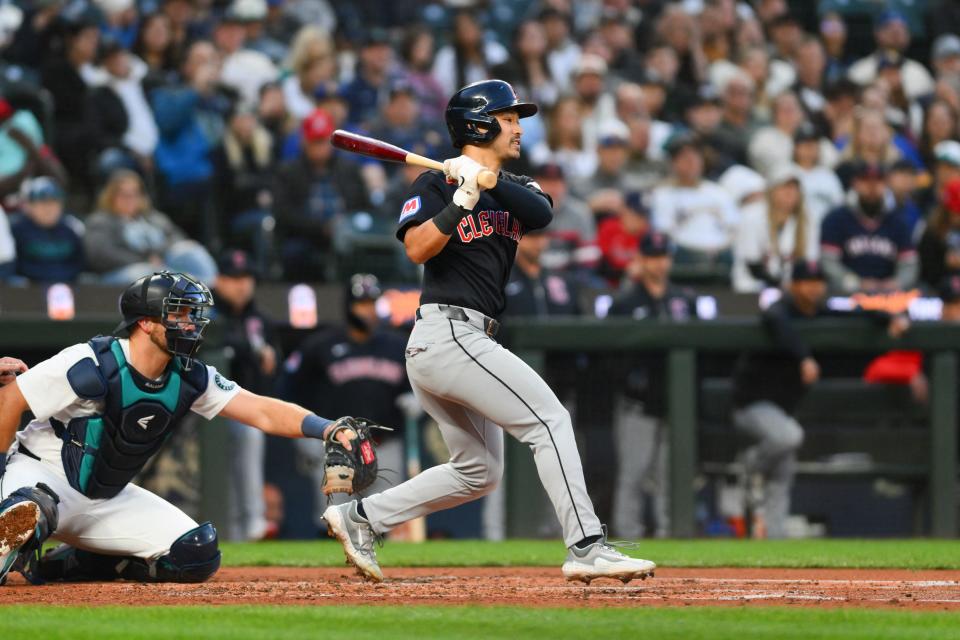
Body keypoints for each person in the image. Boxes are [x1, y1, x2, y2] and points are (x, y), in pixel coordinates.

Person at [322, 79, 656, 584]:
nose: (519, 127)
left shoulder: (516, 187)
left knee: (478, 471)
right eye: (509, 118)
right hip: (447, 333)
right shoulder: (433, 185)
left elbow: (542, 211)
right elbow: (416, 249)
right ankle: (586, 546)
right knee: (549, 422)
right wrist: (460, 199)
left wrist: (485, 179)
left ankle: (362, 517)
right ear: (479, 124)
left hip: (465, 340)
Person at [0, 271, 367, 585]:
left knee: (197, 553)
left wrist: (326, 428)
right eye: (179, 314)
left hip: (104, 497)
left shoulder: (192, 376)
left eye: (192, 314)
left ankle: (64, 563)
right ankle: (15, 532)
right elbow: (10, 399)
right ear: (145, 322)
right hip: (40, 479)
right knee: (26, 513)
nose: (191, 323)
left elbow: (262, 411)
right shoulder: (92, 361)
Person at [730, 260, 909, 538]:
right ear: (794, 285)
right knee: (788, 437)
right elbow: (775, 320)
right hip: (752, 403)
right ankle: (750, 466)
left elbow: (856, 313)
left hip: (783, 407)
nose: (814, 288)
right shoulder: (781, 308)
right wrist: (804, 357)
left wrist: (889, 318)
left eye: (818, 282)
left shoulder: (821, 311)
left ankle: (775, 544)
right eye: (807, 282)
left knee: (782, 476)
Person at [284, 274, 410, 533]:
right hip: (336, 447)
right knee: (335, 522)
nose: (368, 311)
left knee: (383, 522)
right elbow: (292, 391)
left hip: (384, 445)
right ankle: (331, 574)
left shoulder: (397, 346)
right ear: (348, 307)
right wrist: (303, 437)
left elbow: (418, 385)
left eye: (372, 304)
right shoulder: (320, 346)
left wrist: (417, 398)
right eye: (361, 304)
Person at [607, 232, 700, 539]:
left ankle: (669, 535)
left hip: (676, 404)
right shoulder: (625, 302)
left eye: (663, 257)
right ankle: (627, 537)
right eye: (652, 257)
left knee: (670, 476)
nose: (659, 264)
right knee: (633, 474)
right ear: (641, 260)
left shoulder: (683, 301)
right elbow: (609, 357)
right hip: (637, 404)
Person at [210, 250, 280, 541]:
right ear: (219, 280)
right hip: (207, 411)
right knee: (219, 476)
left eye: (246, 278)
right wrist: (246, 350)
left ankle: (251, 523)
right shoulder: (207, 313)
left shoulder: (261, 320)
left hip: (248, 407)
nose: (241, 285)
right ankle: (230, 527)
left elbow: (275, 366)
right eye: (233, 278)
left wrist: (269, 357)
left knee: (249, 444)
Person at [83, 169, 217, 285]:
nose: (130, 199)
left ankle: (211, 291)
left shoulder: (154, 218)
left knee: (191, 251)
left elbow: (176, 238)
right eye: (124, 194)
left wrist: (159, 255)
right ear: (111, 196)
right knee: (151, 274)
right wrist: (144, 260)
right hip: (123, 272)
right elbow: (101, 254)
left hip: (162, 264)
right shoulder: (100, 221)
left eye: (135, 193)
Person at [820, 161, 917, 293]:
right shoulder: (837, 218)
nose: (872, 187)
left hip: (888, 295)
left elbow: (909, 264)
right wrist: (855, 283)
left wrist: (896, 283)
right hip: (846, 294)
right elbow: (829, 262)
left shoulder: (898, 221)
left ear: (886, 184)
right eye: (865, 181)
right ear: (855, 183)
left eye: (878, 181)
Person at [733, 164, 818, 293]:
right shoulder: (752, 215)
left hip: (791, 290)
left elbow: (810, 262)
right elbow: (753, 265)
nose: (790, 192)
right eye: (784, 187)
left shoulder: (807, 221)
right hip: (752, 287)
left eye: (794, 188)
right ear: (771, 190)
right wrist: (779, 285)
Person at [9, 177, 85, 283]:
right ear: (30, 206)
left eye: (53, 203)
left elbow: (78, 263)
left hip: (66, 285)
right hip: (29, 287)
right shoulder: (17, 230)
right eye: (42, 203)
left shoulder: (70, 229)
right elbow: (15, 265)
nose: (49, 209)